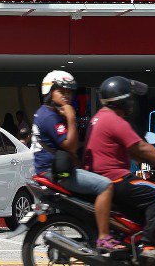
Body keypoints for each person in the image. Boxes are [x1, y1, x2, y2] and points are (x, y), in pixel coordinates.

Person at [85, 76, 155, 264]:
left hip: (102, 177)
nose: (132, 103)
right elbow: (141, 147)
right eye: (130, 98)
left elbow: (131, 150)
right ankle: (148, 245)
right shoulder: (115, 120)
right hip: (114, 179)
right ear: (121, 99)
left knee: (147, 189)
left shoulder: (101, 116)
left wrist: (154, 160)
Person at [32, 69, 124, 253]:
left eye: (69, 92)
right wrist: (72, 118)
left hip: (55, 169)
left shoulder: (46, 113)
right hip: (56, 173)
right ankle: (104, 238)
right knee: (106, 186)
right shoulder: (49, 116)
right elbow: (71, 146)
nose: (67, 96)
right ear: (50, 92)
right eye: (62, 91)